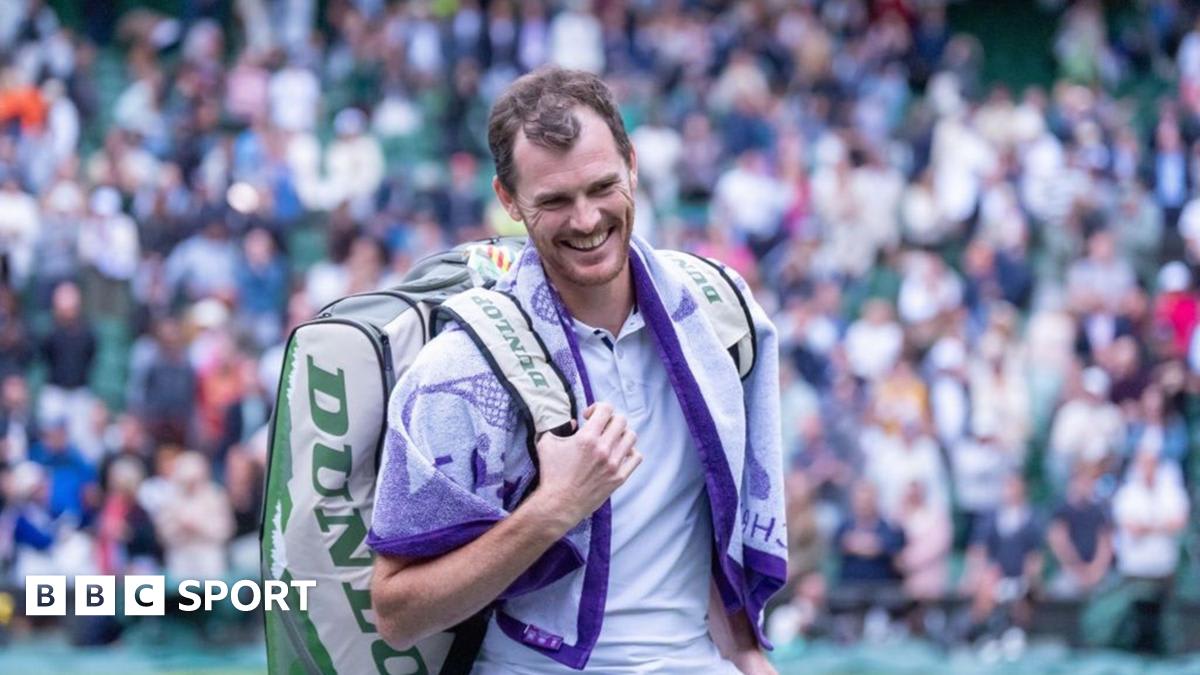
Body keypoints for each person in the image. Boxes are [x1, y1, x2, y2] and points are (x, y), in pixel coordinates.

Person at [369, 68, 785, 674]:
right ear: (508, 200)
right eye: (555, 201)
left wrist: (747, 654)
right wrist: (554, 508)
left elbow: (707, 526)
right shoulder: (458, 368)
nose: (587, 220)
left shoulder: (717, 315)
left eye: (602, 187)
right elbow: (396, 613)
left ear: (632, 165)